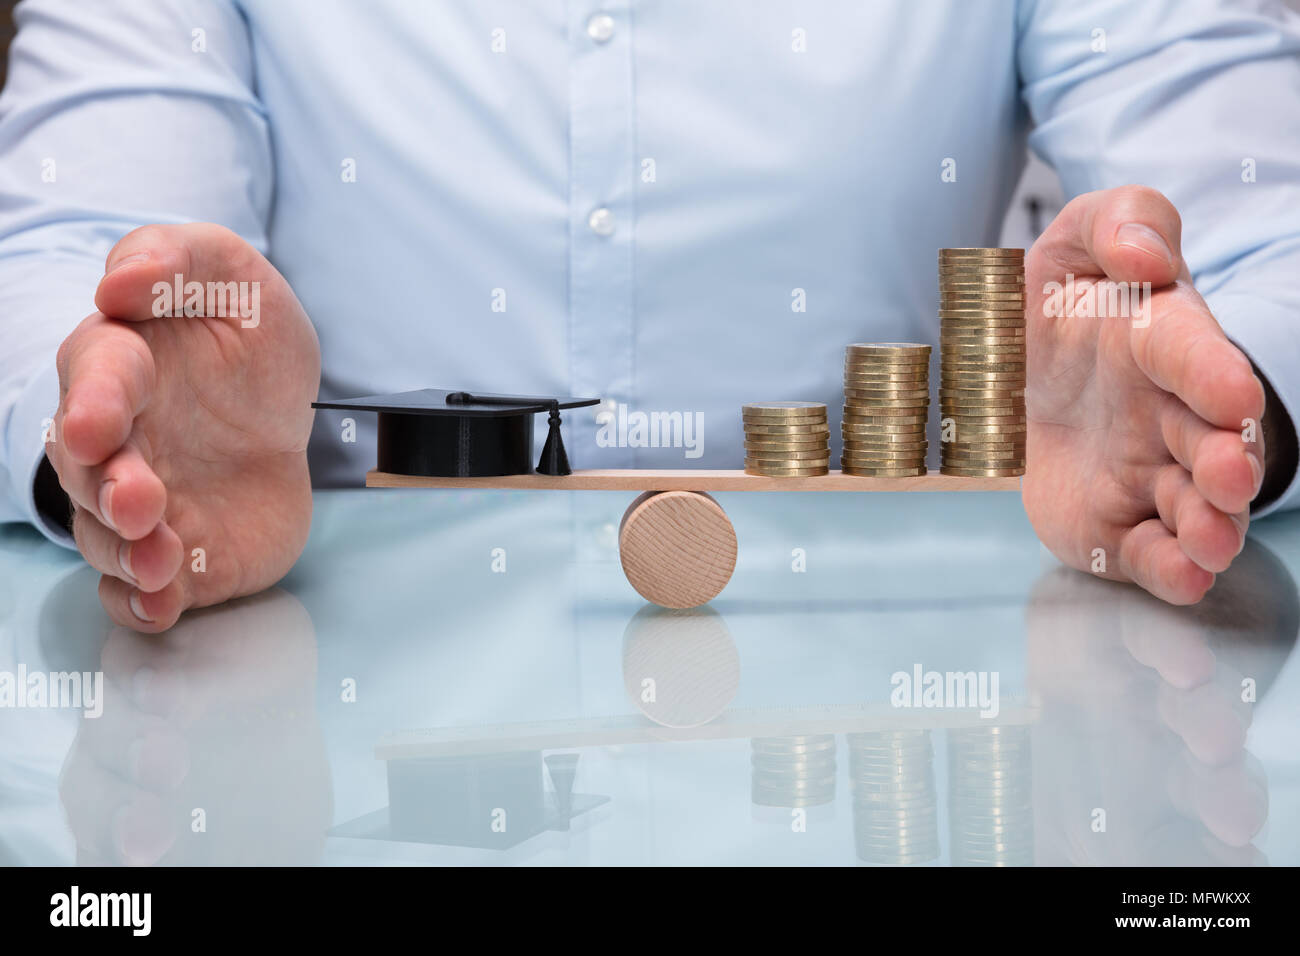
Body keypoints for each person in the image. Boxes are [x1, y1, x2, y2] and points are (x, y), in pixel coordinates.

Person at [1, 0, 1297, 632]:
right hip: (310, 703)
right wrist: (121, 436)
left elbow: (1266, 232)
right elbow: (68, 252)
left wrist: (1202, 399)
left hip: (885, 729)